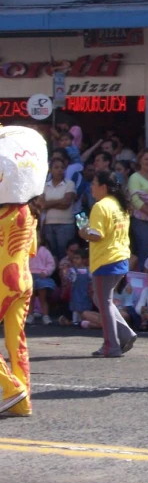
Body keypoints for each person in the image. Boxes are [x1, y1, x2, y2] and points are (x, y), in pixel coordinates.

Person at [0, 125, 47, 417]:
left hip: (3, 280)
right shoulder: (29, 212)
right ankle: (22, 403)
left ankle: (12, 387)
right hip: (24, 280)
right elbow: (30, 250)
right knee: (17, 342)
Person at [79, 170, 138, 357]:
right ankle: (125, 334)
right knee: (102, 300)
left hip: (105, 260)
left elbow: (97, 235)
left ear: (103, 187)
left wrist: (83, 232)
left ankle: (111, 345)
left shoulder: (100, 206)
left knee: (103, 303)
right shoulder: (119, 204)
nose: (91, 187)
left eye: (94, 183)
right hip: (120, 257)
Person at [42, 158, 77, 261]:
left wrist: (49, 203)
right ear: (50, 170)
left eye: (62, 168)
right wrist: (59, 200)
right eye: (56, 167)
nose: (59, 170)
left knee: (64, 255)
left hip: (65, 224)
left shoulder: (69, 184)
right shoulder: (45, 186)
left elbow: (66, 203)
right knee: (51, 255)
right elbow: (42, 205)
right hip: (48, 224)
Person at [28, 236, 55, 326]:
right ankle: (30, 315)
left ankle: (45, 316)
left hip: (41, 277)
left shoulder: (45, 252)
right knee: (30, 299)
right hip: (29, 276)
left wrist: (45, 272)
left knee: (42, 298)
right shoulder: (27, 250)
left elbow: (51, 264)